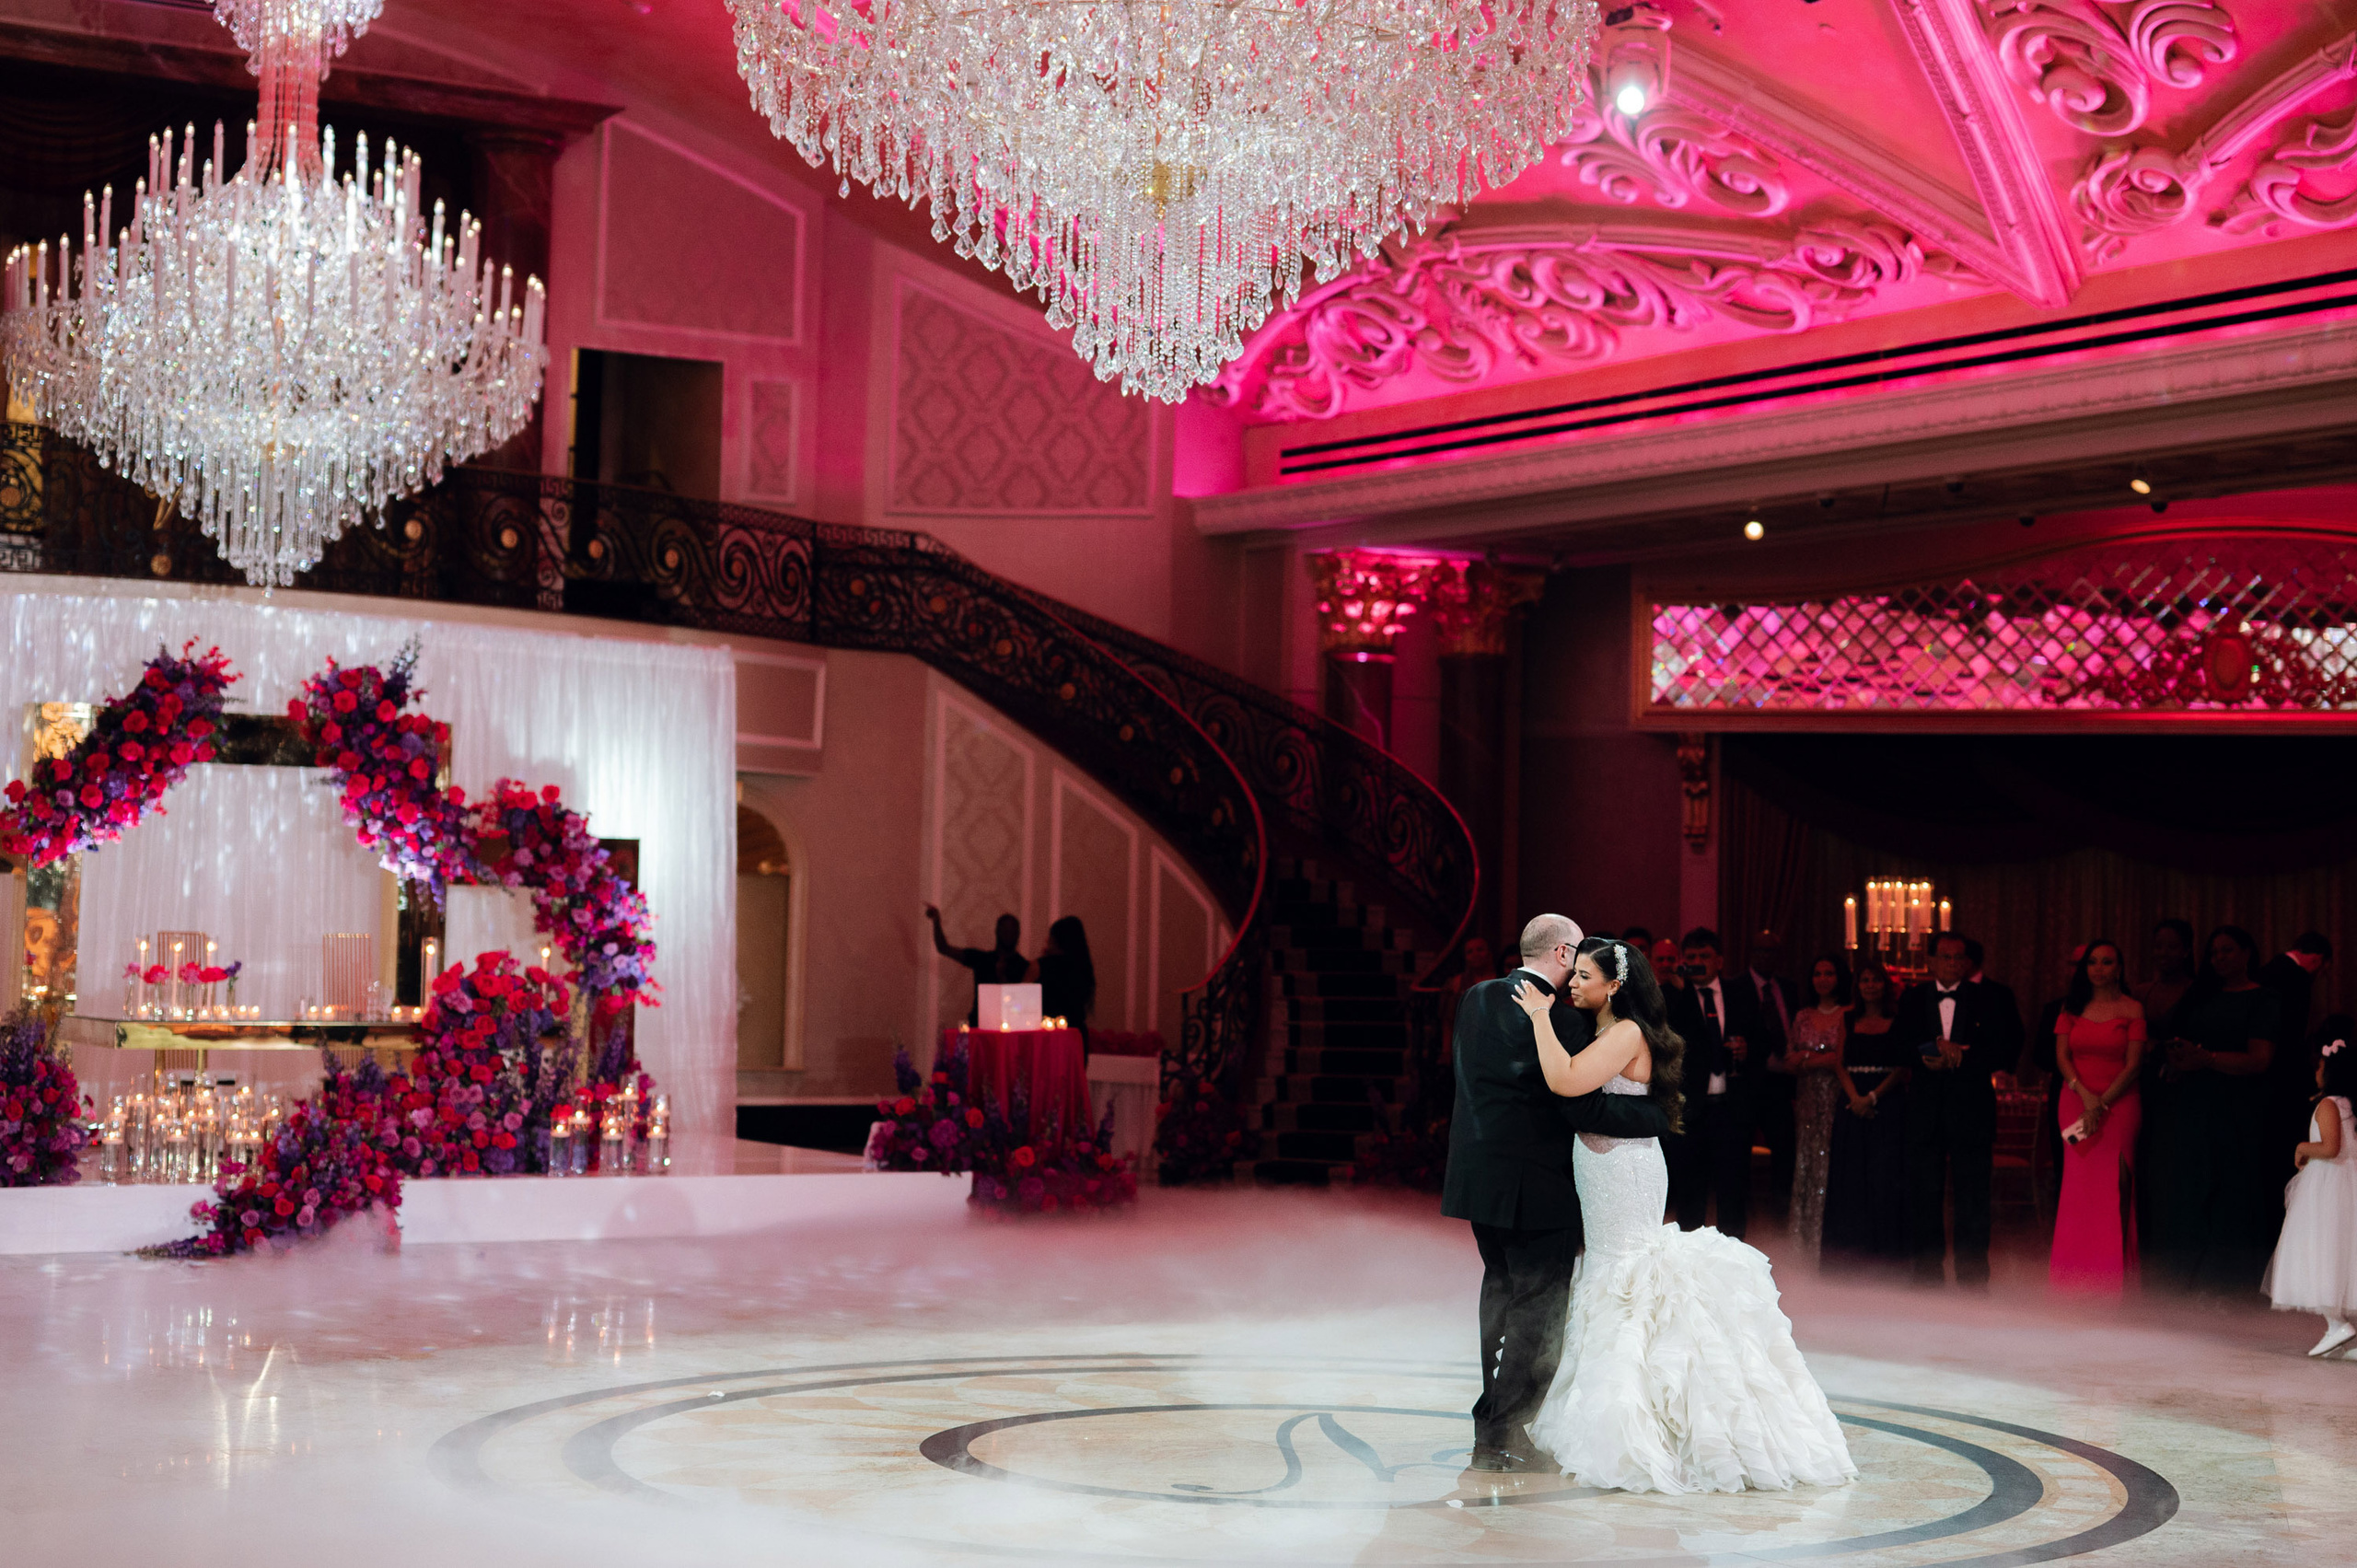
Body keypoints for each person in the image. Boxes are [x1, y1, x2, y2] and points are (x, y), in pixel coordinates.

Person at [1511, 939, 1855, 1494]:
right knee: (1614, 1273)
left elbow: (1566, 1081)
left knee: (1627, 1278)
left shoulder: (1624, 1031)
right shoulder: (1608, 1028)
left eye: (1583, 975)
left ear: (1615, 985)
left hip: (1622, 1169)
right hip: (1607, 1165)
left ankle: (1643, 1426)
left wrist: (1537, 1017)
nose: (1571, 983)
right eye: (1571, 975)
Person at [1439, 914, 1674, 1473]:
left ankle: (1490, 1418)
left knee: (1499, 1292)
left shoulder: (1474, 997)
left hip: (1477, 1179)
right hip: (1537, 1184)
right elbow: (1583, 1105)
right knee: (1538, 1308)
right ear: (1565, 952)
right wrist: (1656, 1114)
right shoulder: (1564, 1023)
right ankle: (1504, 1429)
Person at [2147, 925, 2282, 1297]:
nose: (2220, 958)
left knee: (2233, 1194)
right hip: (2191, 1105)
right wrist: (2175, 1059)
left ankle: (2228, 1287)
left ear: (2247, 953)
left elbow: (2260, 1059)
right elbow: (2175, 1040)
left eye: (2227, 951)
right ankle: (2182, 1282)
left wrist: (2206, 1059)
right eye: (2214, 953)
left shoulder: (2264, 999)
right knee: (2189, 1191)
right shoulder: (2201, 996)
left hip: (2239, 1108)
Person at [1896, 932, 2017, 1289]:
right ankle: (1927, 1274)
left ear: (1967, 962)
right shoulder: (1913, 998)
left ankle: (1974, 1277)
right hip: (1925, 1112)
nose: (1952, 964)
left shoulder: (1991, 998)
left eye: (1958, 958)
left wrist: (1963, 1055)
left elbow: (2008, 1049)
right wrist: (1928, 1049)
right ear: (1930, 962)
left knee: (1974, 1198)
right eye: (1945, 957)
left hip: (1972, 1111)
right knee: (1925, 1195)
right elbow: (1897, 1044)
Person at [2049, 940, 2146, 1296]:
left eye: (2107, 962)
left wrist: (2102, 1104)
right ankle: (2074, 1279)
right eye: (2092, 962)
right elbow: (2062, 1058)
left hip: (2120, 1103)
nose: (2099, 968)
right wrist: (2087, 1098)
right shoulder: (2070, 1007)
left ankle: (2113, 1282)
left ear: (2119, 968)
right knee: (2079, 1190)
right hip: (2075, 1100)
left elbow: (2134, 1065)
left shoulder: (2133, 1008)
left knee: (2118, 1186)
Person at [1663, 928, 1766, 1239]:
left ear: (1719, 960)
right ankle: (1690, 1269)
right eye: (1691, 957)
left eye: (1704, 957)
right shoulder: (1673, 997)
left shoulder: (1741, 993)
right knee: (1690, 1194)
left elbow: (1765, 1042)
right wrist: (1682, 992)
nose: (1697, 963)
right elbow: (1669, 1044)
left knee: (1733, 1193)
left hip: (1732, 1110)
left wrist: (1748, 1051)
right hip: (1691, 1111)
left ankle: (1735, 1265)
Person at [2261, 1032, 2357, 1357]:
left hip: (2327, 1187)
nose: (2315, 1071)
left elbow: (2331, 1147)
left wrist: (2302, 1147)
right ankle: (2341, 1330)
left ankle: (2336, 1325)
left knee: (2320, 1250)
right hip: (2340, 1184)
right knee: (2337, 1252)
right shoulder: (2346, 1105)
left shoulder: (2329, 1104)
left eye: (2319, 1066)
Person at [1823, 961, 1910, 1272]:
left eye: (1875, 980)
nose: (1870, 985)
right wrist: (1856, 1098)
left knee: (1885, 1176)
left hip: (1887, 1102)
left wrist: (1873, 1097)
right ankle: (1850, 1253)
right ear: (1857, 986)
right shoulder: (1848, 1017)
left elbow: (1902, 1066)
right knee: (1852, 1176)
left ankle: (1884, 1254)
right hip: (1852, 1102)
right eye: (1865, 980)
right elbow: (1839, 1063)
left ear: (1884, 985)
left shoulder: (1898, 1019)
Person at [1775, 954, 1849, 1266]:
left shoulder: (1848, 1013)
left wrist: (1809, 1058)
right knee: (1806, 1164)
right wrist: (1821, 1057)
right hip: (1807, 1101)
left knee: (1834, 1164)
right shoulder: (1803, 1015)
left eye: (1829, 973)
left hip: (1838, 1099)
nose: (1823, 979)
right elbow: (1788, 1062)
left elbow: (1840, 1061)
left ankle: (1831, 1241)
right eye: (1817, 973)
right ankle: (1802, 1245)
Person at [1746, 930, 1800, 1222]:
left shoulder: (1788, 988)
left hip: (1782, 1084)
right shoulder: (1738, 987)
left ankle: (1782, 1212)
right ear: (1751, 953)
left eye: (1771, 951)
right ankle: (1746, 1213)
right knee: (1741, 1151)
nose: (1766, 956)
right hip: (1750, 1082)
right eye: (1760, 950)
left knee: (1785, 1147)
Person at [924, 905, 1029, 1026]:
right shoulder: (982, 959)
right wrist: (936, 921)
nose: (1009, 935)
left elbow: (1023, 1002)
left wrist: (1002, 978)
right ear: (997, 932)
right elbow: (943, 948)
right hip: (979, 1026)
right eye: (1005, 931)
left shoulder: (1024, 966)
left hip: (1012, 1027)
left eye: (1012, 932)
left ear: (1018, 934)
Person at [1032, 915, 1097, 1043]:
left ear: (1056, 940)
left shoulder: (1041, 966)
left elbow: (1021, 1001)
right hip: (1075, 1036)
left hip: (1047, 1037)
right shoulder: (1083, 967)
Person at [2136, 918, 2198, 1022]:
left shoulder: (2197, 991)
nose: (2163, 953)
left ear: (2186, 951)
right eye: (2158, 946)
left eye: (2172, 947)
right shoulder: (2142, 992)